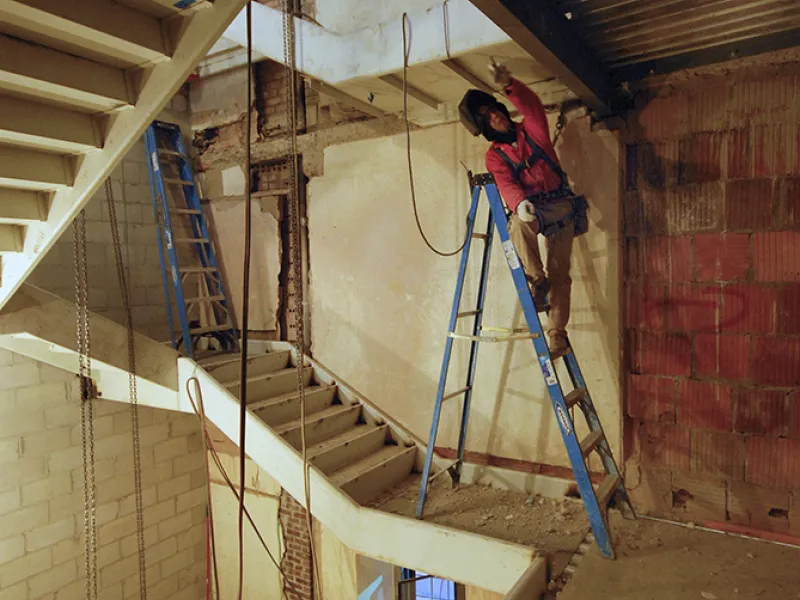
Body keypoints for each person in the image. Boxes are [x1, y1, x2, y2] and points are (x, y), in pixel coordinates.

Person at [458, 62, 577, 356]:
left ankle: (557, 334)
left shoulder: (533, 132)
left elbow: (534, 106)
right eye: (487, 117)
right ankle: (538, 280)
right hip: (532, 209)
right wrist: (519, 203)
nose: (495, 115)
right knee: (518, 225)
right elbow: (506, 184)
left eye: (495, 109)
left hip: (560, 207)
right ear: (484, 128)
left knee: (561, 273)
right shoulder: (494, 157)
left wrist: (509, 85)